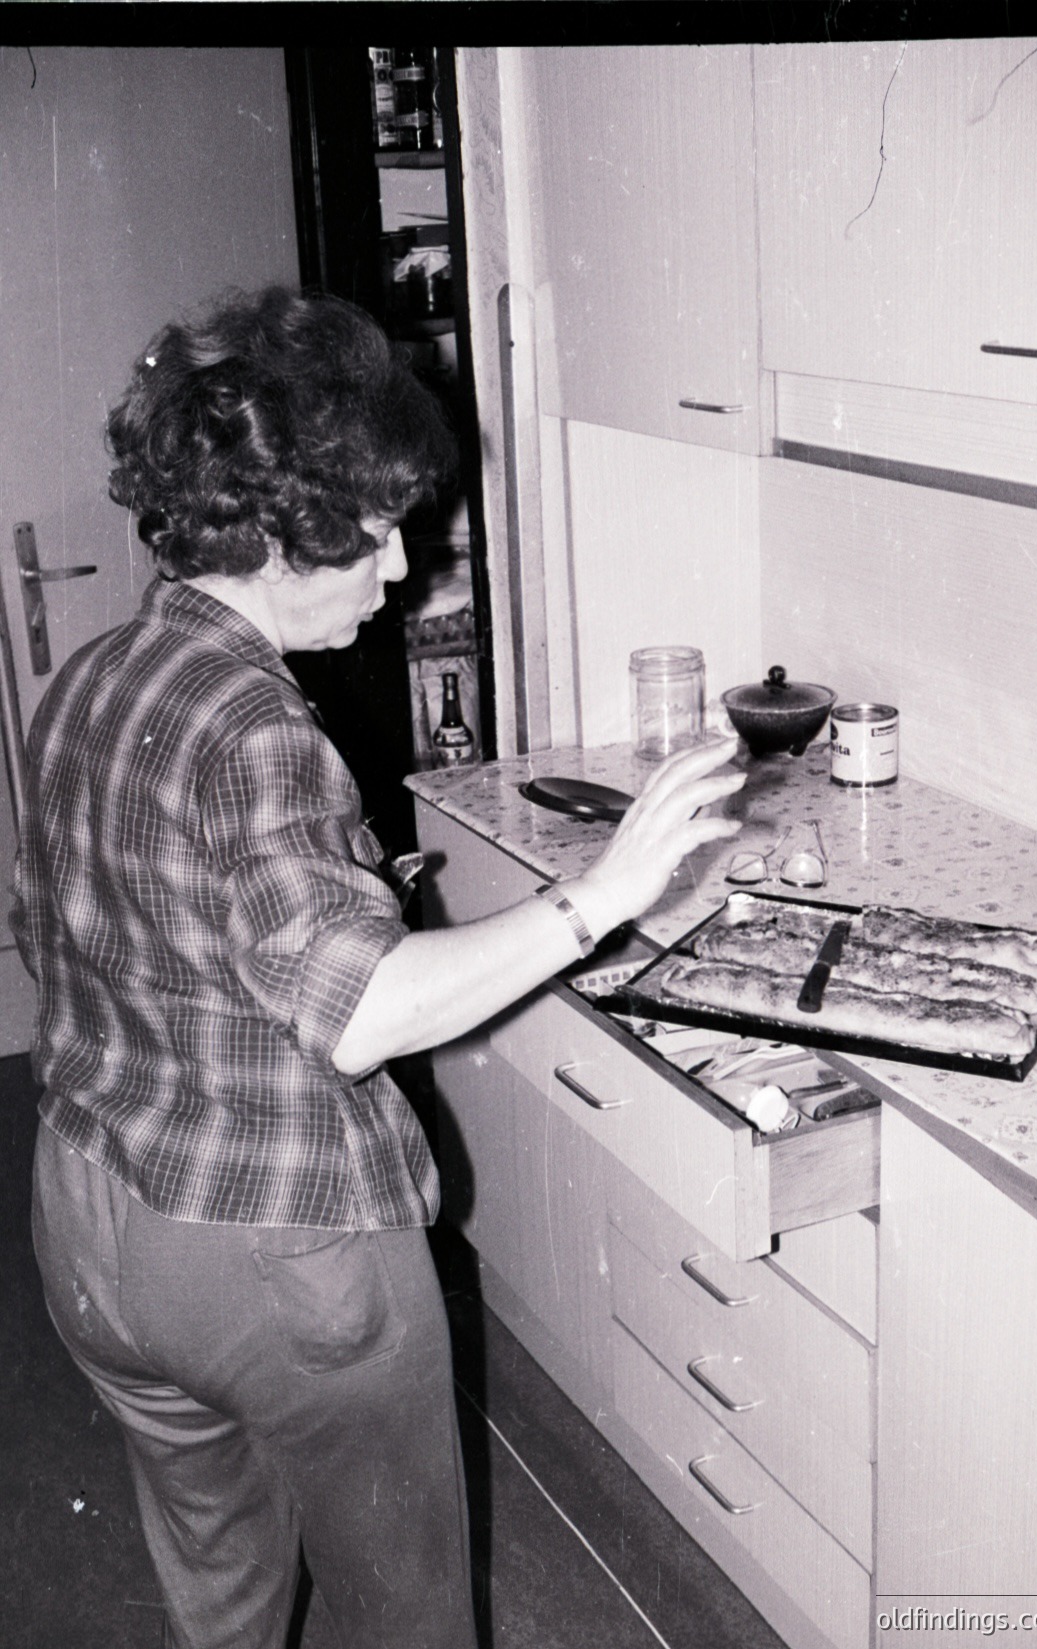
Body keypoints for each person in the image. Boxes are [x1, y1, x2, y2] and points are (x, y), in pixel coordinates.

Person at [11, 285, 745, 1649]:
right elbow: (364, 1011)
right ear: (286, 531)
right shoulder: (259, 729)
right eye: (381, 532)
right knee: (407, 1616)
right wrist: (603, 896)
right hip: (272, 1249)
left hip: (90, 1220)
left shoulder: (97, 679)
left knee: (220, 1589)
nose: (405, 569)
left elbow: (113, 925)